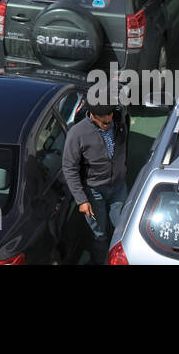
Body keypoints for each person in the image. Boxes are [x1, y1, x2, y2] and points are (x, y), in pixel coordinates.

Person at [61, 102, 128, 264]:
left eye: (110, 116)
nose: (108, 121)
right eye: (103, 120)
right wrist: (82, 200)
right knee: (99, 233)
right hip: (93, 191)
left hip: (118, 187)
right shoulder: (77, 134)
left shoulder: (119, 123)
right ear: (92, 115)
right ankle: (99, 261)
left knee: (122, 228)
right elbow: (69, 167)